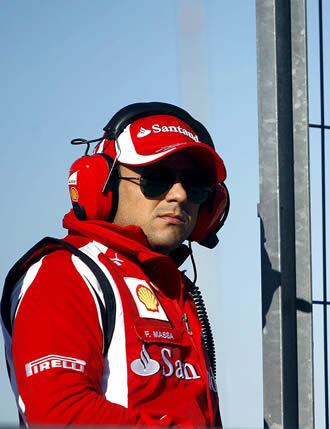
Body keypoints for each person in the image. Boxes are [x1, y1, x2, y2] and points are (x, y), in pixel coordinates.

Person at [1, 102, 229, 427]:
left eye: (195, 185)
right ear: (102, 184)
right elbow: (59, 414)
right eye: (156, 178)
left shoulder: (174, 290)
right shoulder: (64, 273)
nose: (179, 194)